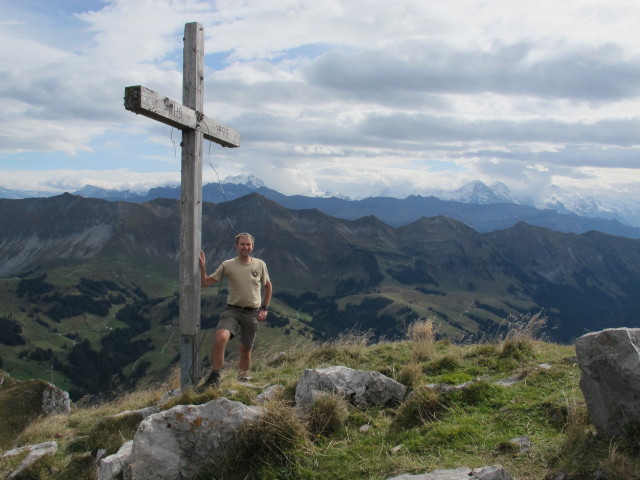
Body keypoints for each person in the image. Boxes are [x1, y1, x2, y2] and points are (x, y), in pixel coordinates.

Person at [198, 232, 272, 389]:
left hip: (252, 312)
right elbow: (206, 283)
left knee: (245, 349)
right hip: (232, 311)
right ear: (236, 246)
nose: (245, 247)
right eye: (242, 244)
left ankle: (242, 379)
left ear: (252, 246)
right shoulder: (228, 265)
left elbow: (268, 286)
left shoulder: (260, 264)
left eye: (248, 244)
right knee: (220, 337)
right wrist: (203, 267)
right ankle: (215, 377)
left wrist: (265, 308)